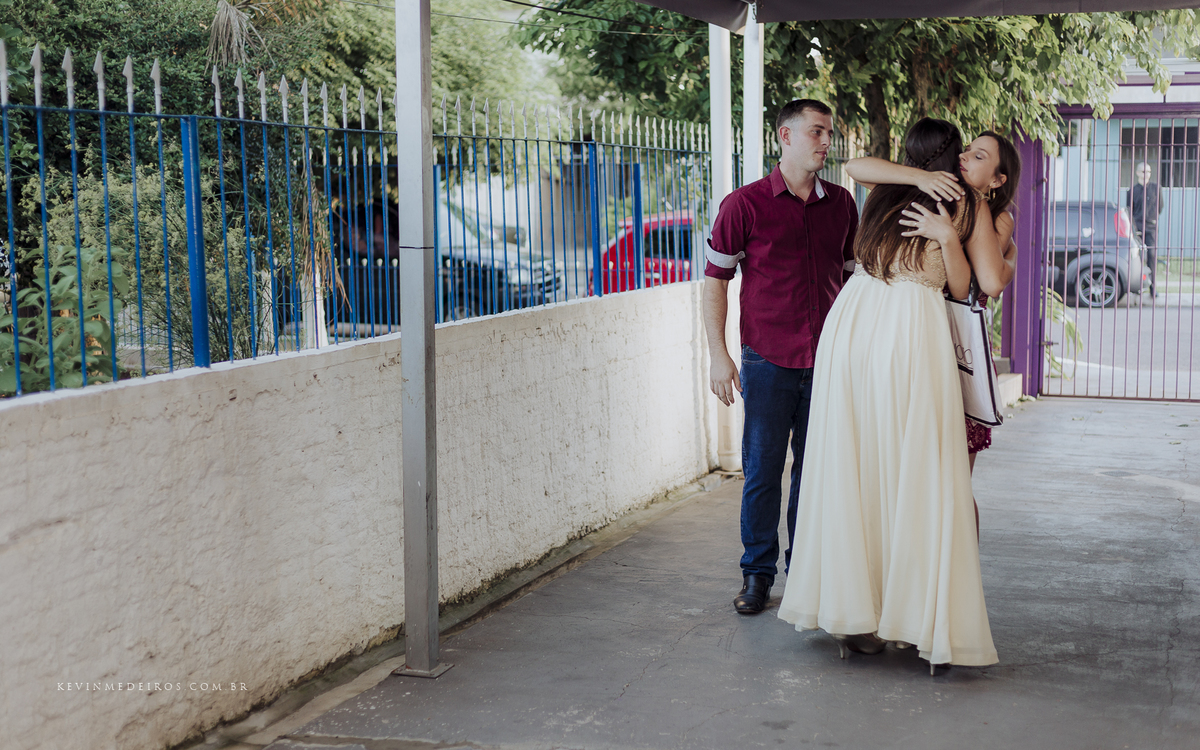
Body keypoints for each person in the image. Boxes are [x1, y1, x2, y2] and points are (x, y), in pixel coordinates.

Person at [776, 118, 1000, 672]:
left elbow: (854, 166)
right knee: (917, 472)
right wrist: (941, 212)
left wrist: (944, 229)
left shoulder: (887, 192)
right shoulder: (953, 196)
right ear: (950, 158)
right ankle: (915, 620)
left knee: (857, 468)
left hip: (854, 323)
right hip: (905, 332)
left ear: (912, 152)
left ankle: (860, 621)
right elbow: (963, 288)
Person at [703, 99, 858, 616]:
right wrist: (719, 357)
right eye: (816, 131)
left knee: (816, 473)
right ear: (784, 137)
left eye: (829, 133)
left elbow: (853, 279)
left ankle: (805, 571)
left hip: (829, 362)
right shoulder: (743, 205)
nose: (825, 142)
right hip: (767, 360)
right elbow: (715, 283)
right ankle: (757, 574)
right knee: (764, 471)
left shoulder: (842, 204)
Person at [842, 132, 1022, 524]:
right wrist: (918, 178)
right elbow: (854, 167)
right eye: (966, 150)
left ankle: (955, 576)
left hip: (954, 345)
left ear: (997, 180)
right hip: (916, 340)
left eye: (979, 156)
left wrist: (1011, 256)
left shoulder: (992, 215)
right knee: (906, 472)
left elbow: (987, 282)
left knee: (951, 486)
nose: (965, 158)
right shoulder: (931, 193)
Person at [1128, 162, 1163, 298]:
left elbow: (1160, 207)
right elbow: (1129, 209)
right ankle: (1137, 286)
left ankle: (1153, 287)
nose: (1146, 174)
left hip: (1151, 227)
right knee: (1138, 257)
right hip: (1137, 227)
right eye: (1143, 171)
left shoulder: (1156, 188)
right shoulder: (1132, 190)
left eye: (1148, 171)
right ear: (1137, 173)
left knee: (1152, 256)